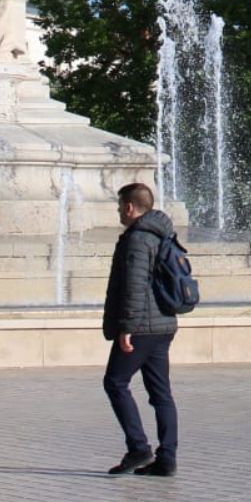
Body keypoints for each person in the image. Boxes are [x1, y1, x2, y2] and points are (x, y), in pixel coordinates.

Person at [101, 183, 181, 477]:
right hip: (164, 324)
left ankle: (138, 448)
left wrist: (127, 328)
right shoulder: (164, 233)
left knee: (115, 382)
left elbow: (134, 286)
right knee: (161, 393)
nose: (120, 212)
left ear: (130, 207)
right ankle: (167, 458)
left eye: (121, 206)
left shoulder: (137, 238)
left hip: (142, 327)